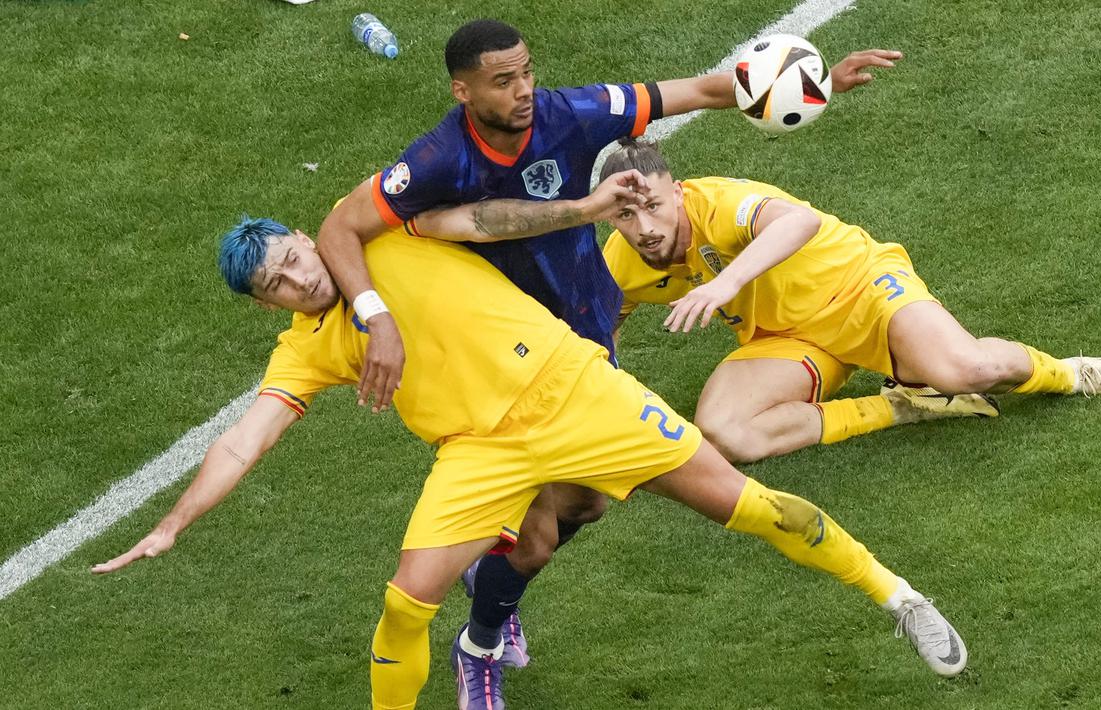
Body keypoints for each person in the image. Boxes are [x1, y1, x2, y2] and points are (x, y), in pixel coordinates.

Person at [93, 216, 968, 710]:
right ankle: (481, 635)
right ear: (265, 305)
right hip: (478, 451)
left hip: (578, 393)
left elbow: (486, 208)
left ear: (300, 235)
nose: (300, 282)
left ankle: (900, 599)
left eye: (292, 260)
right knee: (405, 600)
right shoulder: (306, 346)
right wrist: (173, 523)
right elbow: (243, 438)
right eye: (277, 286)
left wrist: (592, 198)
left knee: (752, 507)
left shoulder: (381, 237)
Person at [315, 18, 904, 698]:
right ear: (463, 91)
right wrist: (376, 316)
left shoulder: (573, 112)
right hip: (505, 362)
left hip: (584, 340)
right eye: (503, 81)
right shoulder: (438, 160)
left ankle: (493, 583)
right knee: (534, 539)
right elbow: (340, 228)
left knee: (585, 505)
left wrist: (800, 87)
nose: (524, 90)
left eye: (527, 72)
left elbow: (699, 91)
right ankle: (479, 645)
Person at [595, 139, 1101, 462]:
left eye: (654, 207)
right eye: (625, 215)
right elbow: (599, 333)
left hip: (862, 289)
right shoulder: (617, 263)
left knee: (969, 370)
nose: (645, 227)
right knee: (723, 432)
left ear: (678, 193)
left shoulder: (720, 203)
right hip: (787, 339)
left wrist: (722, 284)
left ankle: (1070, 373)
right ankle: (902, 405)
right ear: (606, 214)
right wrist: (608, 397)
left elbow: (799, 221)